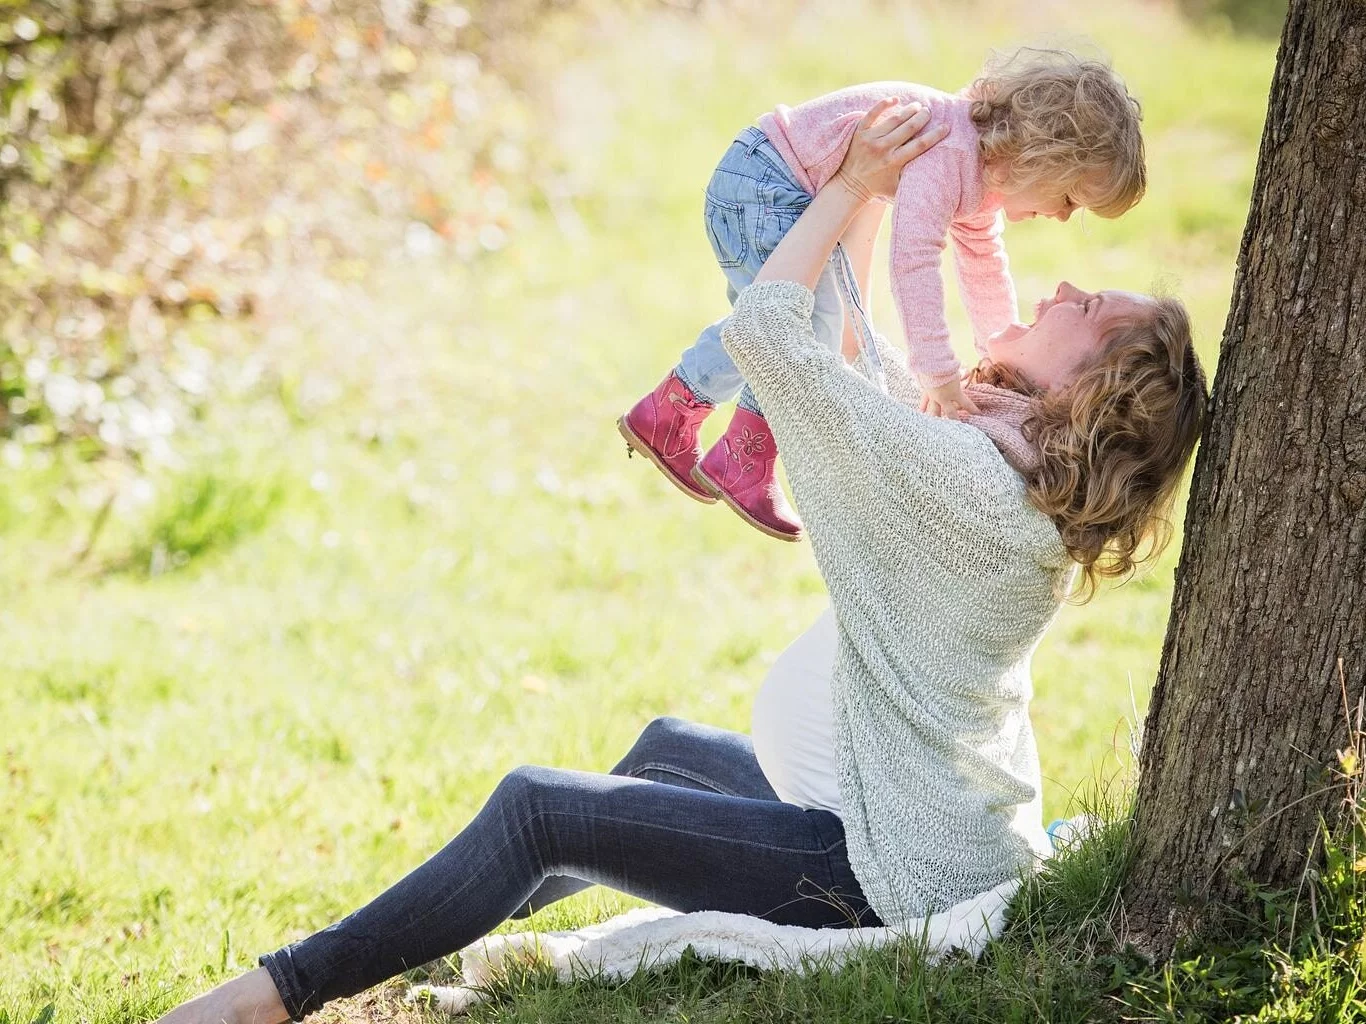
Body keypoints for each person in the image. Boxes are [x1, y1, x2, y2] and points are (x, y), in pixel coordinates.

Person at [157, 102, 1205, 1024]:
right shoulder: (996, 466)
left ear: (1091, 394)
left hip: (885, 873)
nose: (1065, 282)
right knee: (661, 747)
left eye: (1092, 311)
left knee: (540, 806)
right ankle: (416, 933)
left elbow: (772, 335)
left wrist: (845, 184)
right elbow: (857, 368)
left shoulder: (968, 485)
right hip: (907, 823)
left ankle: (272, 995)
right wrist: (874, 198)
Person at [618, 47, 1146, 542]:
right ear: (1040, 157)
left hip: (776, 182)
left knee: (793, 320)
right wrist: (937, 372)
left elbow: (984, 266)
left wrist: (995, 354)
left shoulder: (981, 176)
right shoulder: (952, 152)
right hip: (765, 183)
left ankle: (673, 414)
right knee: (793, 324)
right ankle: (739, 453)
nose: (1060, 216)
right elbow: (913, 260)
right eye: (1070, 198)